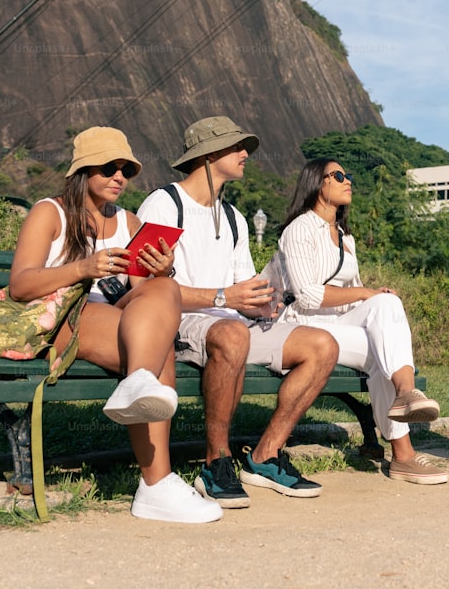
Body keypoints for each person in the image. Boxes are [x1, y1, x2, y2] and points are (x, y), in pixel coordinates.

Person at [8, 127, 223, 523]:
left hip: (115, 322)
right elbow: (20, 285)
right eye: (109, 168)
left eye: (126, 169)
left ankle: (138, 385)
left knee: (164, 292)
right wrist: (82, 268)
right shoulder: (49, 212)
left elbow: (145, 295)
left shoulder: (129, 221)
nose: (119, 177)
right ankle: (156, 485)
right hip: (61, 319)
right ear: (83, 171)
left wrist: (163, 270)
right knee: (158, 359)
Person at [137, 116, 339, 509]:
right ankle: (216, 461)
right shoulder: (164, 204)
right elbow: (146, 290)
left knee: (322, 345)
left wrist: (263, 299)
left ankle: (265, 455)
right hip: (179, 323)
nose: (245, 154)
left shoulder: (234, 218)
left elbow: (241, 285)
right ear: (210, 155)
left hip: (234, 322)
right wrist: (223, 297)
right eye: (236, 147)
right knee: (233, 334)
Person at [264, 158, 448, 484]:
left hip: (337, 326)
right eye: (338, 175)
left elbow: (355, 294)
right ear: (317, 183)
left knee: (387, 303)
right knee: (382, 350)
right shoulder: (300, 229)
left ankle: (406, 395)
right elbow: (306, 295)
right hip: (299, 327)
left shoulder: (345, 238)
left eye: (348, 176)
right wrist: (366, 293)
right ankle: (403, 455)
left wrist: (372, 296)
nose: (347, 180)